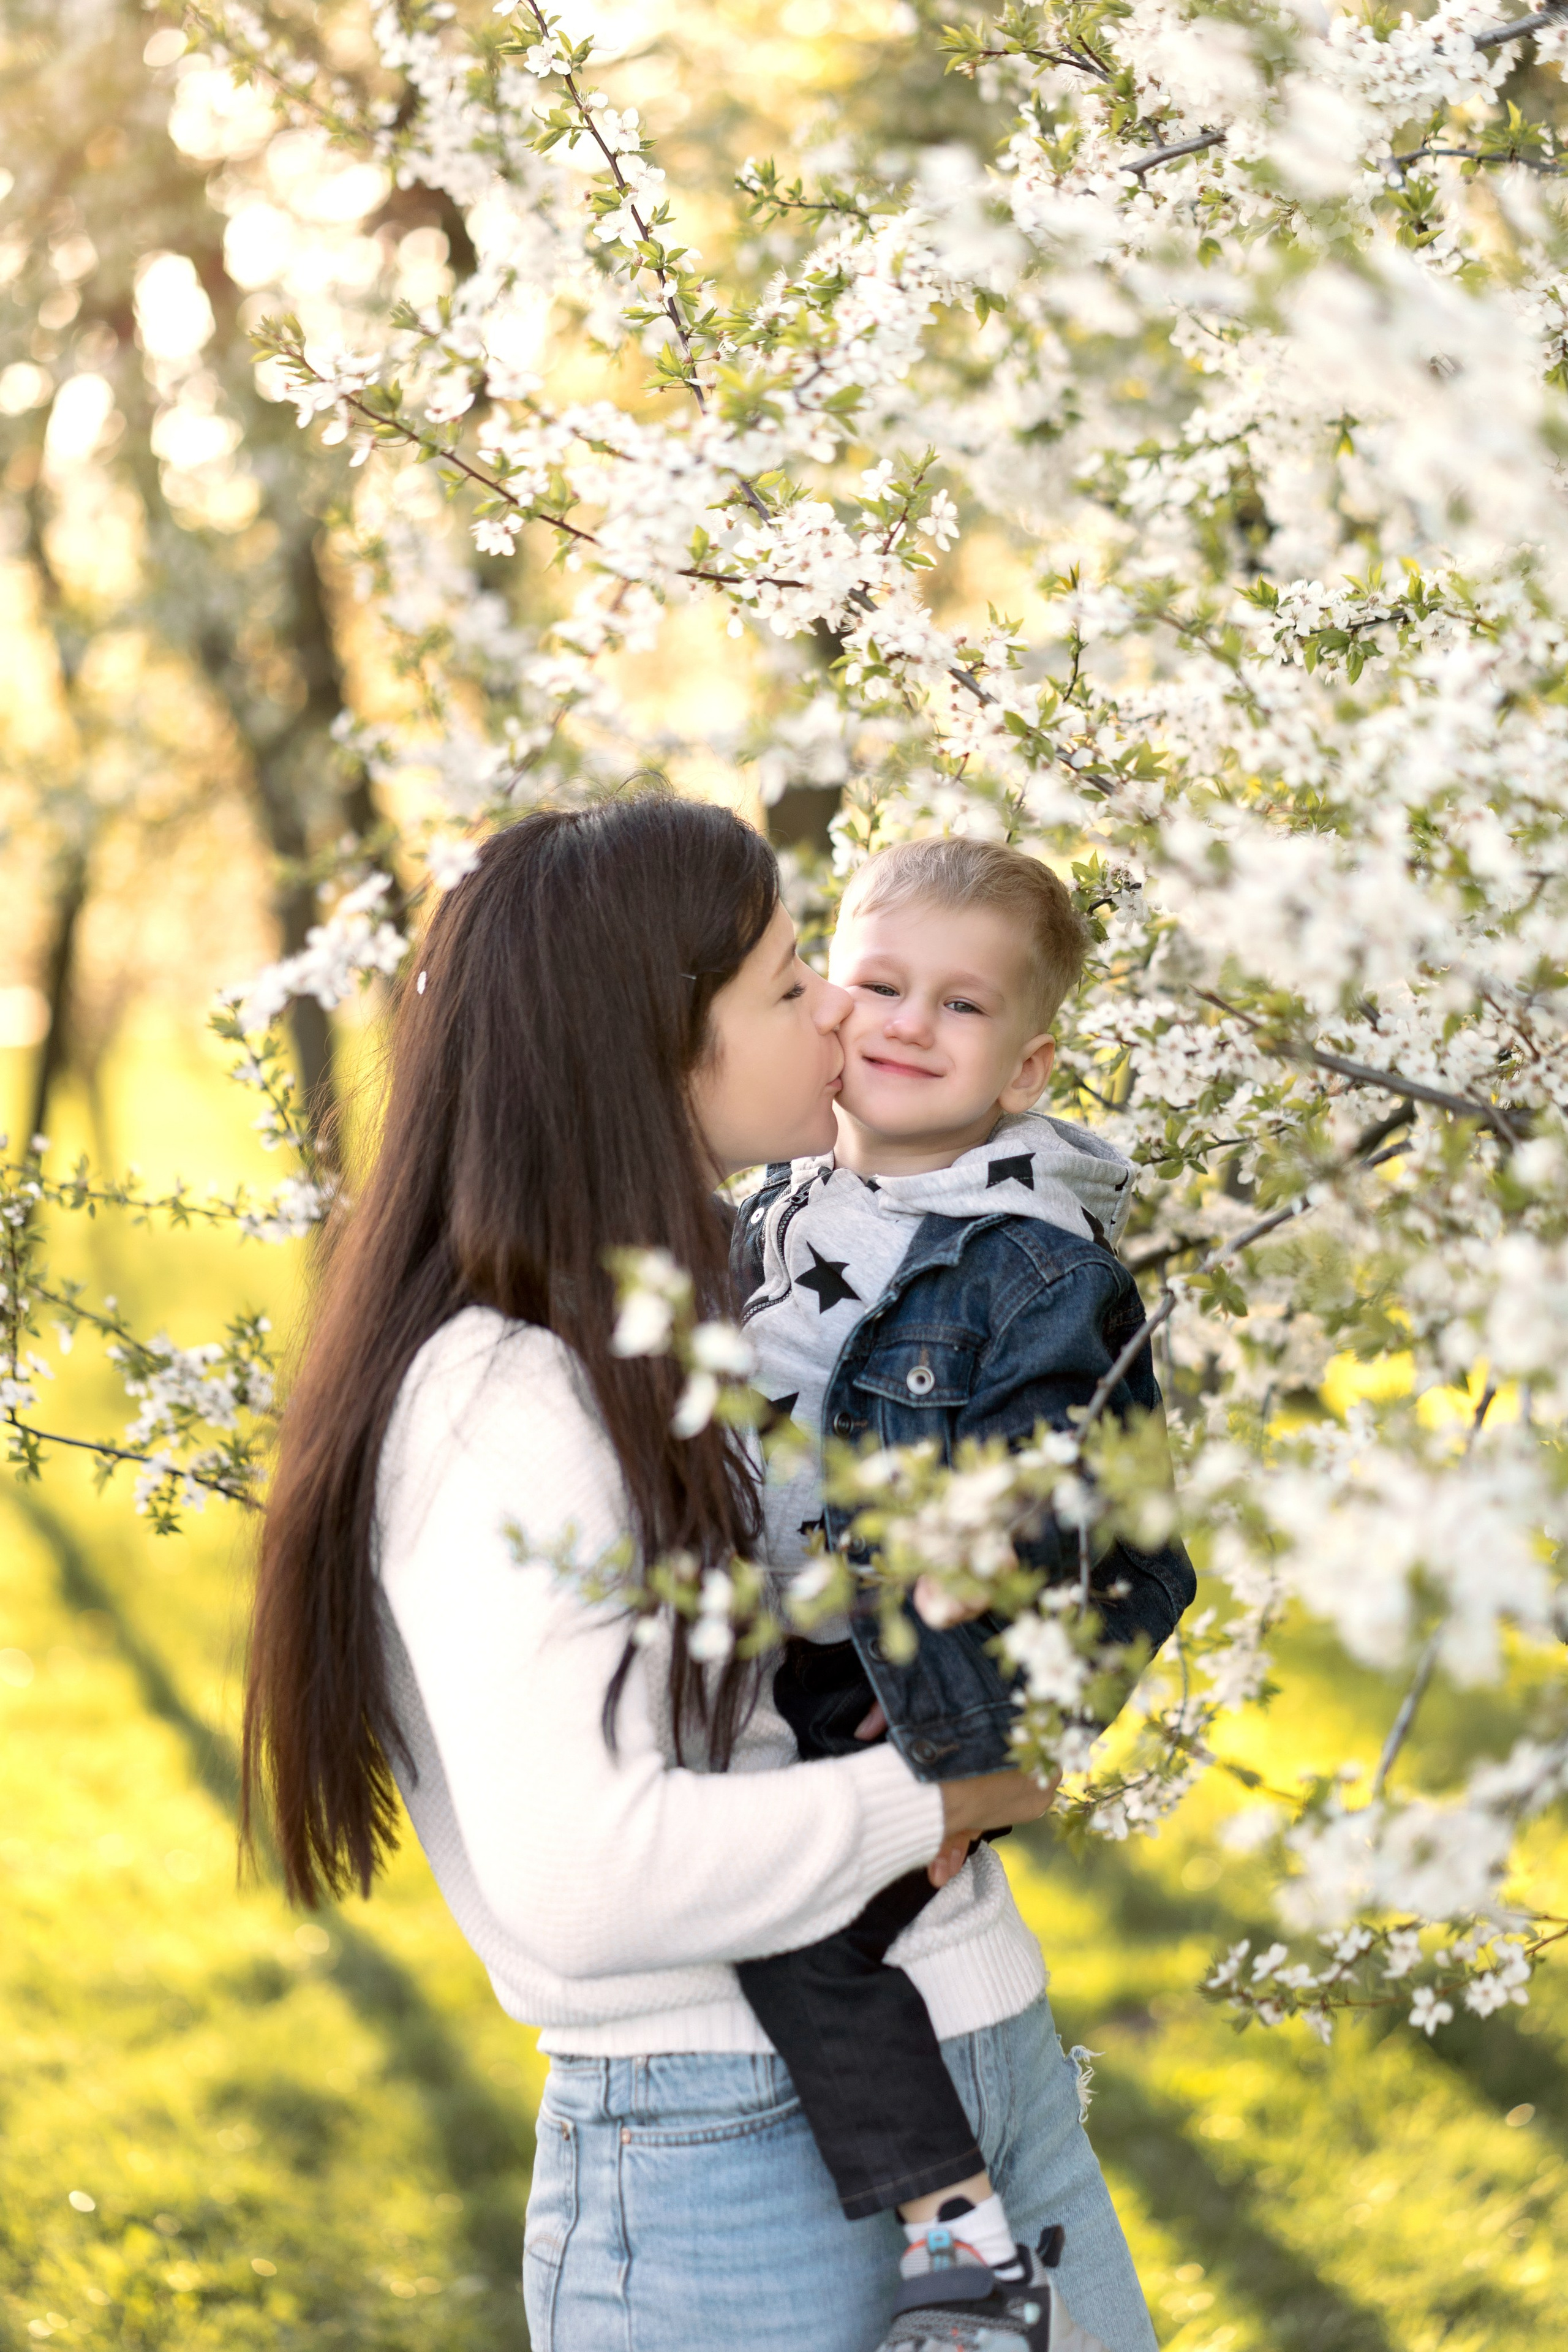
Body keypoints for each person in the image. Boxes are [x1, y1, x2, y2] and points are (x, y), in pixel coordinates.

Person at [242, 794, 1157, 2352]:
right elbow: (590, 1878)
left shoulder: (738, 1300)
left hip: (987, 2052)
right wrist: (950, 1789)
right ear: (657, 1044)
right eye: (795, 981)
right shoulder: (502, 1400)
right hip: (728, 2151)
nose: (840, 1018)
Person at [731, 836, 1193, 2349]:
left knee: (801, 1921)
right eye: (873, 982)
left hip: (907, 1669)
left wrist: (985, 1537)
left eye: (961, 1006)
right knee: (749, 1884)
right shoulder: (774, 1203)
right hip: (774, 1650)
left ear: (1023, 1065)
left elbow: (1080, 1475)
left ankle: (959, 2238)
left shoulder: (1034, 1262)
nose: (906, 1023)